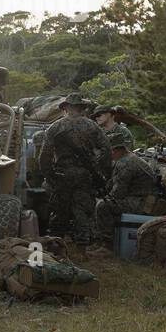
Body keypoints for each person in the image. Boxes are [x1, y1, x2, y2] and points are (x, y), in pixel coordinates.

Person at [36, 93, 111, 244]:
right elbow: (106, 150)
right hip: (84, 175)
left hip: (61, 175)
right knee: (82, 211)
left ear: (66, 108)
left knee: (59, 211)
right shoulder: (92, 126)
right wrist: (98, 169)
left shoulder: (55, 127)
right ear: (82, 108)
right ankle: (82, 248)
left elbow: (44, 157)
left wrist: (50, 176)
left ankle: (56, 247)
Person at [92, 130, 166, 249]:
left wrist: (101, 198)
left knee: (102, 206)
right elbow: (112, 184)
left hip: (142, 203)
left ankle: (106, 245)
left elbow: (117, 194)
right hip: (141, 199)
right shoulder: (127, 158)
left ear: (114, 150)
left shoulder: (125, 163)